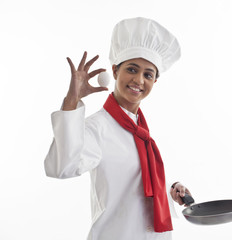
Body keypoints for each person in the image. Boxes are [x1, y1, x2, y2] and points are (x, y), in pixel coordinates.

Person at [44, 17, 191, 240]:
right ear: (114, 71)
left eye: (148, 74)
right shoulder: (97, 128)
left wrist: (171, 186)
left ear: (154, 82)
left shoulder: (140, 129)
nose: (139, 80)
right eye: (132, 69)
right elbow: (61, 166)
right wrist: (72, 100)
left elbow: (139, 174)